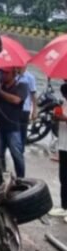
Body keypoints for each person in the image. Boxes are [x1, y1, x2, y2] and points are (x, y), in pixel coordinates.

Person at [0, 68, 28, 178]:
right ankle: (2, 176)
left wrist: (0, 92)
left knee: (17, 155)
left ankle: (21, 178)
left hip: (13, 127)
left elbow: (16, 100)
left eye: (6, 72)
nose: (3, 75)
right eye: (2, 72)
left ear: (13, 73)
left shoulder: (21, 86)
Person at [50, 83, 67, 219]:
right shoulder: (64, 103)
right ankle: (64, 206)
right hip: (63, 144)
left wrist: (63, 118)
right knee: (64, 176)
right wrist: (56, 116)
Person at [16, 67, 38, 147]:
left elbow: (33, 95)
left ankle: (20, 153)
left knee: (22, 133)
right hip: (13, 108)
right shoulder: (13, 75)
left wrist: (34, 111)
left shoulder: (30, 77)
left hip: (25, 109)